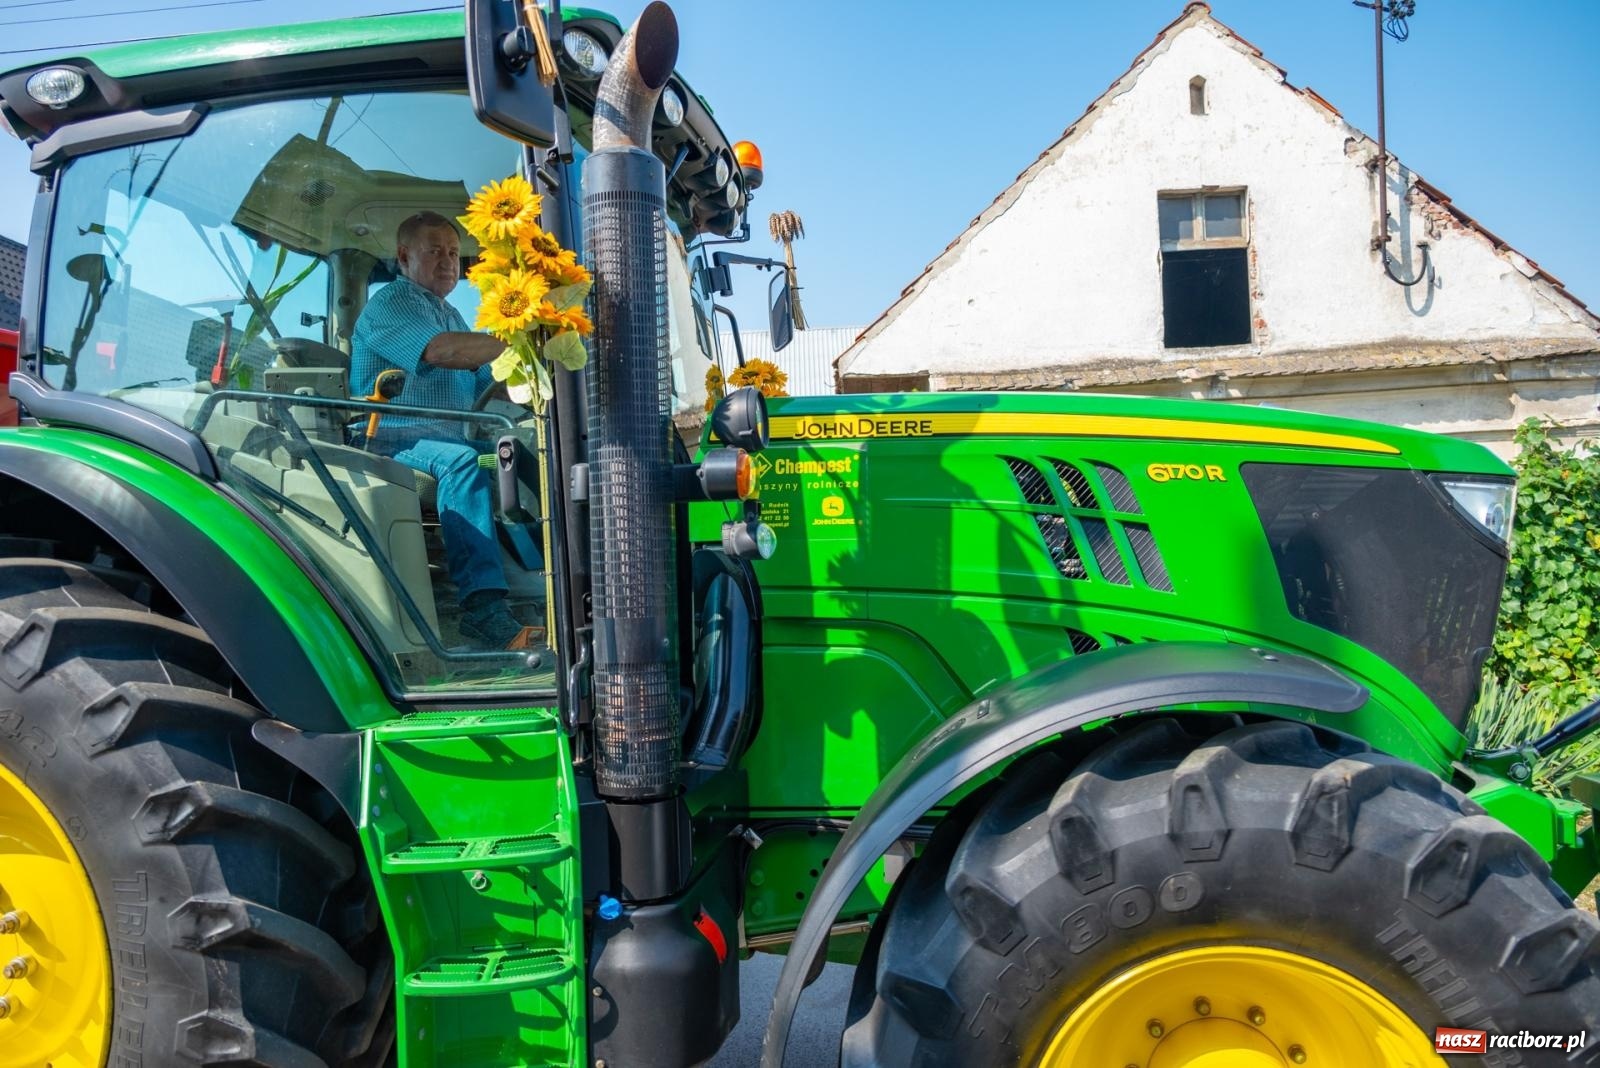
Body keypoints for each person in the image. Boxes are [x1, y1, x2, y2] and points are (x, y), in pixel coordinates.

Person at [352, 210, 527, 648]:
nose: (449, 261)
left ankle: (543, 581)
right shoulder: (392, 304)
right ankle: (482, 608)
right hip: (392, 439)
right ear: (404, 256)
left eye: (453, 252)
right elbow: (440, 352)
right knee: (465, 462)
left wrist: (544, 367)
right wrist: (520, 333)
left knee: (527, 454)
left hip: (445, 440)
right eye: (435, 251)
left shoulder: (450, 315)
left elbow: (492, 384)